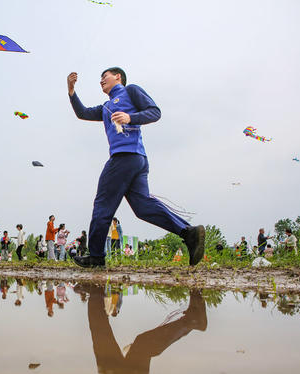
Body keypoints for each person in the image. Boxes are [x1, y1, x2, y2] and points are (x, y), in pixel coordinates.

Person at [67, 68, 205, 267]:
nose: (101, 81)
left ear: (118, 77)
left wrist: (130, 118)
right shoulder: (106, 107)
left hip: (125, 157)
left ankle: (96, 256)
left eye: (104, 76)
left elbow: (154, 112)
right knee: (143, 207)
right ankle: (189, 233)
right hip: (136, 161)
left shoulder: (130, 91)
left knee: (103, 205)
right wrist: (71, 91)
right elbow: (82, 113)